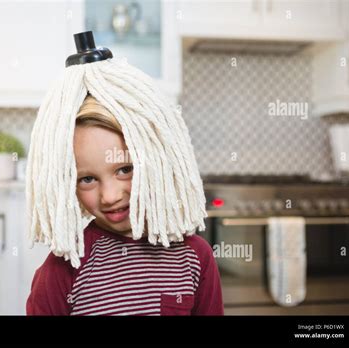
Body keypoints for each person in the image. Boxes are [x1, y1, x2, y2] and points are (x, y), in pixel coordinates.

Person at [25, 32, 223, 316]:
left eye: (124, 169)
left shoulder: (194, 257)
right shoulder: (64, 268)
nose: (110, 196)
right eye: (88, 179)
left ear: (157, 161)